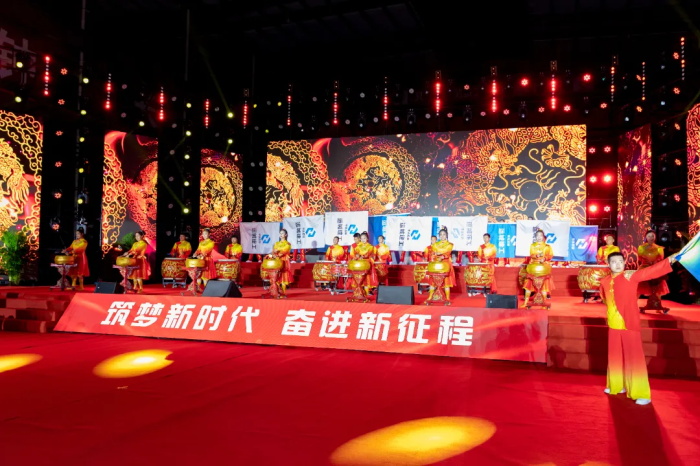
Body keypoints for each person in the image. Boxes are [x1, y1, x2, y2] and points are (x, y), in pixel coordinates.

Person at [600, 251, 678, 405]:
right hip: (613, 324)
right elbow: (605, 299)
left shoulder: (630, 276)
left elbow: (651, 271)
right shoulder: (604, 281)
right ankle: (617, 385)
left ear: (624, 263)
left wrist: (670, 260)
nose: (618, 264)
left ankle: (641, 393)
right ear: (608, 264)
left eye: (620, 261)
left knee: (634, 358)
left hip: (629, 323)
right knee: (615, 356)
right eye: (614, 262)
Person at [637, 230, 670, 312]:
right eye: (649, 236)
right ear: (646, 237)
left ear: (655, 237)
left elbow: (661, 259)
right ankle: (632, 304)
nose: (651, 238)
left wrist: (655, 263)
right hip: (644, 268)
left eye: (652, 236)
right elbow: (640, 259)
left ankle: (657, 305)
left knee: (658, 286)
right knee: (639, 286)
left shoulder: (659, 248)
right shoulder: (641, 247)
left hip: (655, 268)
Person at [522, 229, 554, 307]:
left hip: (544, 267)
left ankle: (544, 303)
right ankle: (525, 302)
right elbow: (532, 254)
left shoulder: (547, 246)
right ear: (535, 237)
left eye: (541, 235)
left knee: (544, 287)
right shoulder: (532, 245)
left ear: (543, 237)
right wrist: (537, 256)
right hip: (534, 266)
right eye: (537, 236)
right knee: (528, 286)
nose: (539, 237)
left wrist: (545, 258)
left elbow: (550, 255)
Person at [428, 229, 456, 302]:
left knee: (446, 281)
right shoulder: (435, 244)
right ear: (439, 236)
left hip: (445, 264)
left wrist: (442, 256)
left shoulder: (450, 244)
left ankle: (447, 298)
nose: (442, 236)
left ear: (446, 235)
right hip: (436, 264)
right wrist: (435, 255)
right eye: (441, 235)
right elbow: (433, 253)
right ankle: (430, 297)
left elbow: (447, 253)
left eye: (444, 234)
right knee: (433, 281)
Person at [351, 231, 378, 296]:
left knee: (367, 278)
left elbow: (370, 254)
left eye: (364, 238)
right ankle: (360, 290)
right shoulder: (358, 246)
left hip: (367, 264)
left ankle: (367, 291)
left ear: (367, 238)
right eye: (362, 238)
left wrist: (363, 256)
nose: (363, 240)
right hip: (360, 264)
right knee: (360, 277)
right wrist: (356, 256)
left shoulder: (370, 246)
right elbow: (355, 254)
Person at [270, 228, 293, 295]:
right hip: (277, 260)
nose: (281, 235)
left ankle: (283, 292)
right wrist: (274, 254)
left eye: (282, 233)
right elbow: (273, 251)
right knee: (276, 276)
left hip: (284, 260)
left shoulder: (287, 244)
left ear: (286, 235)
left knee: (283, 276)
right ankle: (277, 291)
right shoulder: (276, 243)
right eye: (280, 233)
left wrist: (277, 252)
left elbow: (284, 251)